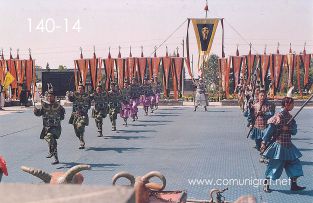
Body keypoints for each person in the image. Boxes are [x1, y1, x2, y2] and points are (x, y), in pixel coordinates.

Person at [261, 87, 305, 192]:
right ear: (287, 104)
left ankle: (294, 185)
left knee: (294, 164)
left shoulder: (290, 117)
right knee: (274, 166)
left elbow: (294, 131)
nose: (293, 106)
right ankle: (266, 184)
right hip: (279, 145)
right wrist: (264, 142)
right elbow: (270, 129)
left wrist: (288, 128)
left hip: (288, 146)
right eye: (292, 104)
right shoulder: (278, 116)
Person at [34, 87, 65, 164]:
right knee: (51, 142)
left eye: (51, 96)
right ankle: (56, 159)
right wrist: (35, 111)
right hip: (47, 127)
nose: (49, 97)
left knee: (49, 137)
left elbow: (62, 117)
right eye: (48, 96)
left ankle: (51, 152)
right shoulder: (44, 106)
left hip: (56, 127)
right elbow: (39, 114)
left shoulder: (59, 106)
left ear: (54, 97)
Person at [67, 83, 91, 149]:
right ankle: (80, 139)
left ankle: (82, 142)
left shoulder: (87, 96)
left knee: (80, 126)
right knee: (76, 130)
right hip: (75, 115)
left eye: (81, 88)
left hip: (83, 115)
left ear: (83, 89)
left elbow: (89, 105)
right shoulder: (75, 95)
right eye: (79, 89)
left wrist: (83, 110)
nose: (80, 90)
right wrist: (69, 95)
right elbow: (71, 99)